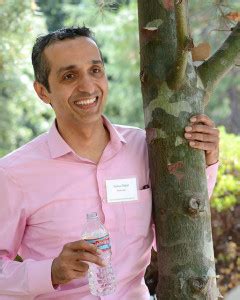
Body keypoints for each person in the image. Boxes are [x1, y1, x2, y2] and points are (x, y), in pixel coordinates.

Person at [0, 27, 219, 300]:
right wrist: (51, 272)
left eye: (95, 70)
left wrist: (205, 162)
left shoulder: (145, 148)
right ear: (43, 92)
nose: (88, 86)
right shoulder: (13, 173)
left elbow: (175, 233)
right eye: (69, 76)